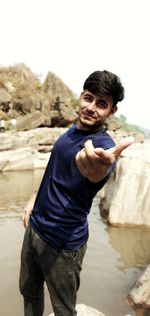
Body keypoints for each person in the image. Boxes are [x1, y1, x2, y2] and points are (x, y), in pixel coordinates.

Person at [19, 70, 134, 316]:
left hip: (63, 243)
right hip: (34, 229)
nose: (92, 108)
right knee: (29, 292)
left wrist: (99, 171)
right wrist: (32, 201)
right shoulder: (70, 132)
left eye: (101, 104)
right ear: (81, 96)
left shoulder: (101, 147)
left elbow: (97, 171)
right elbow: (53, 170)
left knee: (63, 309)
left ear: (111, 111)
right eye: (89, 98)